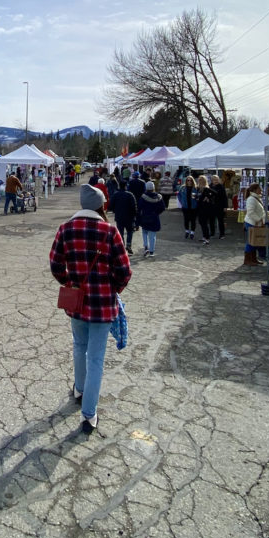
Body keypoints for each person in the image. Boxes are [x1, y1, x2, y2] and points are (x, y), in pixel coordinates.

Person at [48, 184, 132, 434]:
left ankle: (80, 388)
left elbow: (55, 264)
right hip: (103, 304)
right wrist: (113, 288)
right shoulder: (109, 231)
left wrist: (69, 282)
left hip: (77, 302)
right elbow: (124, 270)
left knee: (78, 346)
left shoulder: (66, 229)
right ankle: (89, 414)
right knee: (96, 357)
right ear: (101, 205)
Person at [109, 180, 138, 255]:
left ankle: (122, 246)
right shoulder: (130, 195)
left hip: (119, 217)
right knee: (130, 232)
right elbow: (134, 207)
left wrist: (115, 210)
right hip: (129, 217)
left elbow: (111, 205)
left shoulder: (116, 194)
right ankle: (128, 245)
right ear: (126, 186)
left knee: (120, 232)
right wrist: (135, 216)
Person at [137, 180, 165, 257]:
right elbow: (162, 207)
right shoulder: (159, 197)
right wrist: (156, 213)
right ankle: (152, 251)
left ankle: (146, 246)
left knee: (144, 233)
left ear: (146, 188)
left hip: (145, 217)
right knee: (152, 235)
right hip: (154, 218)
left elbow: (139, 207)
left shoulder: (143, 197)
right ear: (153, 188)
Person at [243, 182, 266, 266]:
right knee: (251, 242)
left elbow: (259, 210)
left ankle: (253, 259)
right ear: (255, 190)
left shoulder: (255, 198)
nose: (261, 190)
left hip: (256, 223)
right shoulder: (251, 199)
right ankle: (247, 260)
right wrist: (259, 220)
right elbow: (250, 212)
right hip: (252, 223)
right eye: (259, 188)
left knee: (255, 242)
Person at [177, 175, 198, 240]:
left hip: (193, 207)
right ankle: (187, 231)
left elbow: (198, 196)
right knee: (186, 220)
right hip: (185, 207)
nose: (189, 181)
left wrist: (196, 200)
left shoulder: (195, 188)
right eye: (188, 180)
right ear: (186, 181)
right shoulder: (183, 188)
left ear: (192, 181)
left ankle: (192, 232)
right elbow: (179, 195)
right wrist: (182, 202)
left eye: (190, 180)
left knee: (193, 220)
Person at [196, 175, 215, 245]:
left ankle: (207, 238)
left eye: (201, 180)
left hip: (205, 208)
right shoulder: (198, 188)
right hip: (199, 207)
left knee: (204, 223)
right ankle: (204, 236)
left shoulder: (206, 188)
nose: (200, 181)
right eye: (199, 180)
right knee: (201, 222)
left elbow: (214, 193)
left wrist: (208, 197)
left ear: (204, 181)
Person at [209, 174, 228, 239]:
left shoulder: (221, 187)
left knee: (220, 221)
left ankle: (222, 234)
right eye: (214, 180)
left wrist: (225, 206)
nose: (216, 181)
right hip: (211, 206)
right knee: (211, 221)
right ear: (212, 181)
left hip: (220, 206)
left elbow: (225, 197)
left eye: (217, 180)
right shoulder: (209, 186)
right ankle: (212, 233)